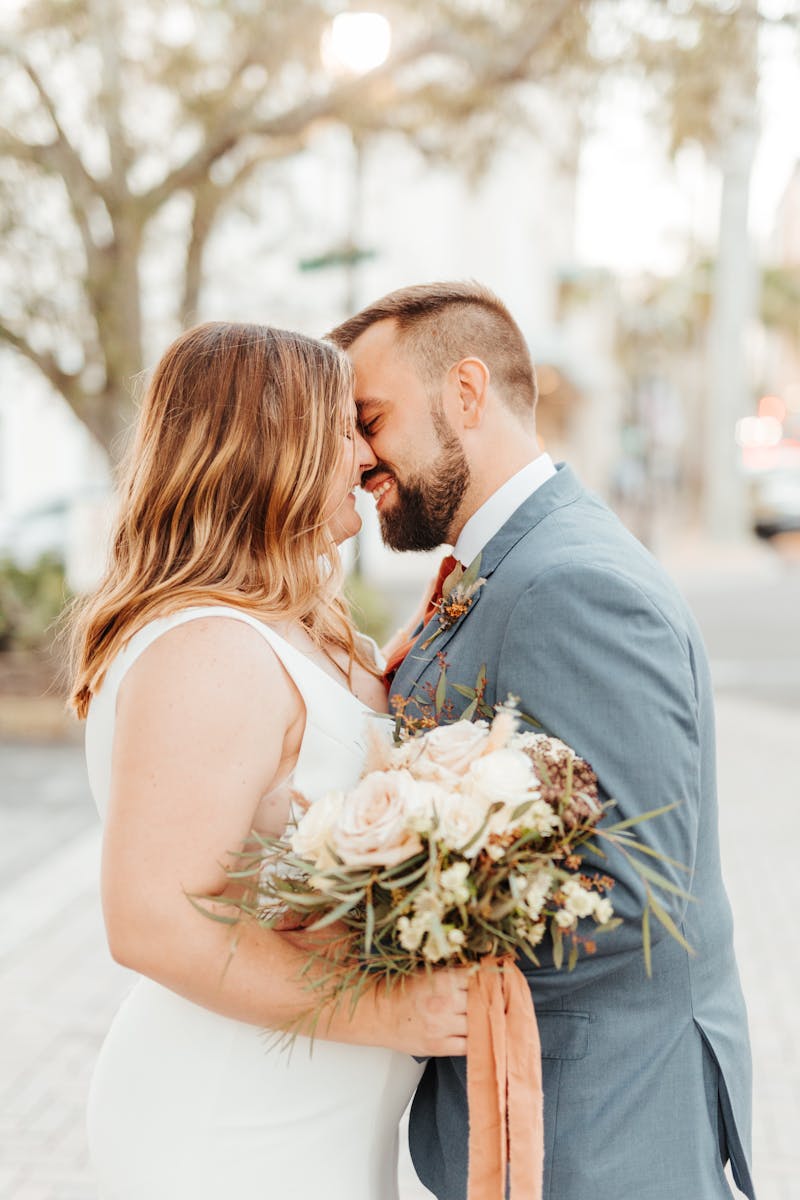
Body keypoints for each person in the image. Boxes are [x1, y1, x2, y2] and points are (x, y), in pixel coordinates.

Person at [328, 281, 756, 1200]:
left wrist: (391, 930)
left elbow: (638, 897)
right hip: (546, 1119)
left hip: (602, 1125)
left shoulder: (573, 584)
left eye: (371, 418)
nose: (359, 458)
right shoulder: (507, 561)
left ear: (466, 393)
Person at [69, 322, 468, 1200]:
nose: (366, 458)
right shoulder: (209, 649)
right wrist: (398, 1011)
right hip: (230, 1124)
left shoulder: (287, 629)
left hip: (316, 1112)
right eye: (344, 429)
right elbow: (151, 920)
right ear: (274, 449)